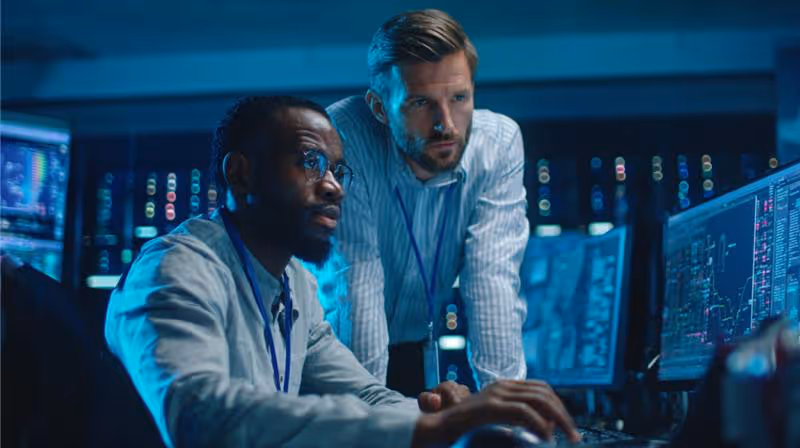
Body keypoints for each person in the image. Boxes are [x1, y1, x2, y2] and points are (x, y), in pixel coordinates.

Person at [105, 95, 580, 447]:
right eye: (311, 163)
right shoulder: (176, 268)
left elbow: (366, 397)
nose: (334, 187)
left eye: (337, 169)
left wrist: (458, 414)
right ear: (241, 174)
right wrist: (428, 426)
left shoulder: (295, 285)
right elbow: (200, 418)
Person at [327, 9, 529, 395]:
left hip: (414, 348)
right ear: (379, 107)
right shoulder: (344, 135)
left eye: (459, 98)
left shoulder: (498, 145)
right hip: (335, 354)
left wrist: (507, 408)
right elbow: (356, 279)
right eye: (421, 103)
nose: (447, 125)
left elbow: (493, 280)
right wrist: (365, 422)